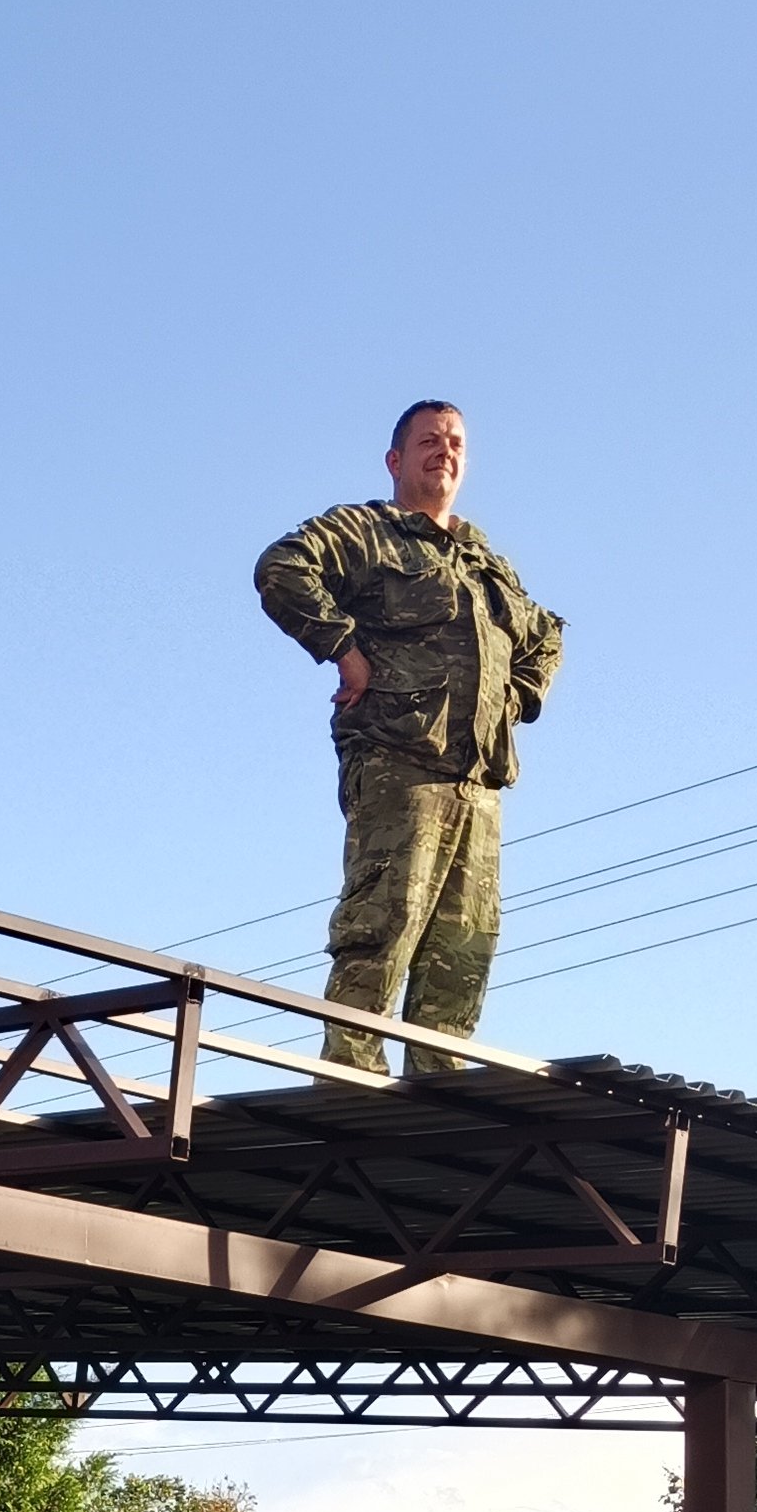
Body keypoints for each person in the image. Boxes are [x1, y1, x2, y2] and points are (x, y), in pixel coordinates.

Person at [253, 402, 563, 1077]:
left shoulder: (487, 564)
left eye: (455, 443)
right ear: (396, 460)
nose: (444, 451)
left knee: (463, 950)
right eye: (428, 441)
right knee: (381, 927)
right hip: (399, 764)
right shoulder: (368, 532)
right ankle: (352, 1082)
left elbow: (547, 636)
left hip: (477, 784)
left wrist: (515, 697)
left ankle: (440, 1094)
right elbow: (282, 567)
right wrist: (345, 651)